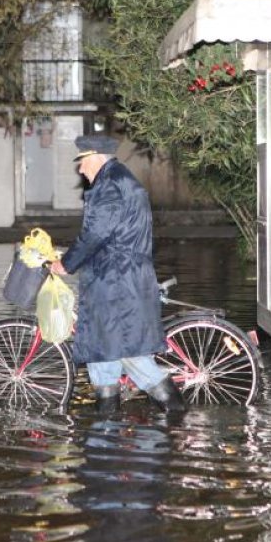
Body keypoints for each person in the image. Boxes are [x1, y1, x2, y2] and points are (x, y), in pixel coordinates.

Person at [49, 134, 185, 414]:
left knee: (127, 352)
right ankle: (106, 428)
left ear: (96, 157)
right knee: (103, 351)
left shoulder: (109, 185)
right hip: (116, 278)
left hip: (117, 282)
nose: (80, 168)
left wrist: (67, 263)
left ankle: (176, 414)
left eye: (82, 161)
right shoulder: (117, 179)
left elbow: (96, 233)